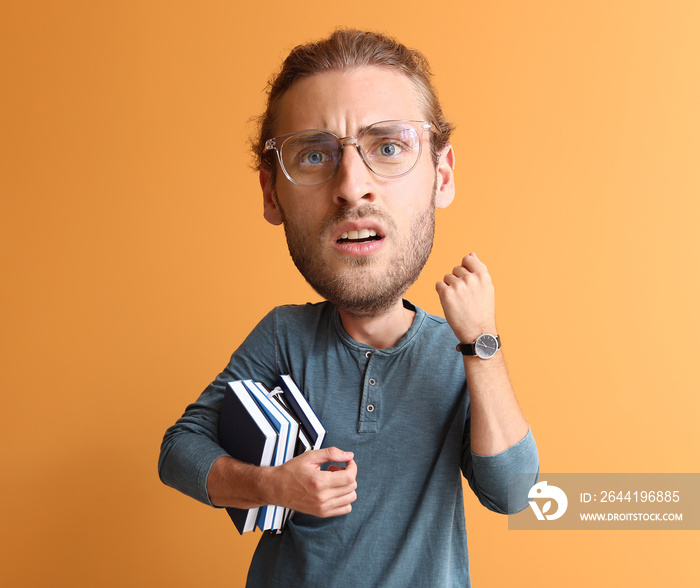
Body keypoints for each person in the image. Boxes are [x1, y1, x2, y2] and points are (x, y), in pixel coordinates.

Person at [158, 28, 539, 587]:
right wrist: (274, 486)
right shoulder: (283, 337)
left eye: (388, 146)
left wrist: (481, 343)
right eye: (314, 155)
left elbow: (511, 493)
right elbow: (178, 451)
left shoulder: (455, 351)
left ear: (444, 174)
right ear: (271, 195)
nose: (352, 186)